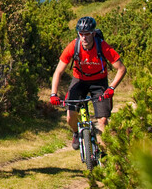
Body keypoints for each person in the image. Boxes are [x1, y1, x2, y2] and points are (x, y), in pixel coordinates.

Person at [49, 16, 126, 150]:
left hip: (99, 82)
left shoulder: (102, 46)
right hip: (79, 80)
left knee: (102, 120)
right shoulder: (74, 46)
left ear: (93, 33)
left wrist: (111, 88)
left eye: (87, 34)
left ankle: (104, 154)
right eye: (81, 34)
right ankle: (76, 133)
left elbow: (121, 68)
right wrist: (53, 94)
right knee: (70, 116)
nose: (84, 37)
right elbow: (58, 72)